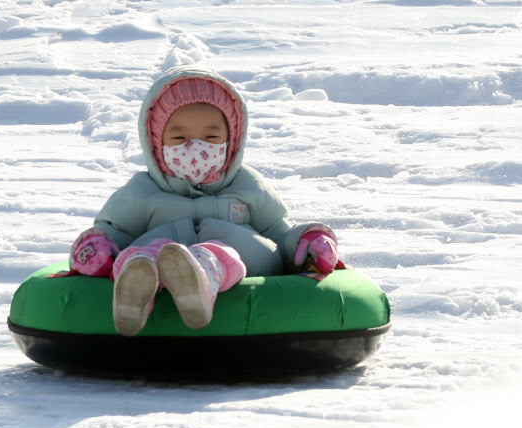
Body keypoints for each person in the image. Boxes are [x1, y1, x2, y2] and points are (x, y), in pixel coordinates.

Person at [70, 65, 338, 336]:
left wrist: (305, 242)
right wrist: (97, 247)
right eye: (179, 138)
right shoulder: (143, 190)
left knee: (220, 252)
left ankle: (198, 276)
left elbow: (278, 235)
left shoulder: (249, 186)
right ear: (155, 143)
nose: (195, 148)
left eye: (211, 138)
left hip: (240, 259)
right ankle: (137, 283)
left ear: (231, 141)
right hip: (163, 252)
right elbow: (116, 230)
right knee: (153, 251)